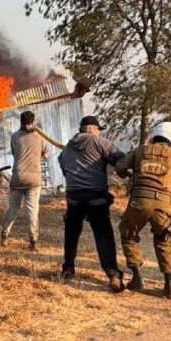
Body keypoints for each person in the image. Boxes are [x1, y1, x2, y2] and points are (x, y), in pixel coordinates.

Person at [115, 121, 171, 299]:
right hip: (163, 206)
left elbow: (120, 168)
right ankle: (169, 287)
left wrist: (131, 174)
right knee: (164, 241)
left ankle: (137, 279)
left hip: (138, 202)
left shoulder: (140, 150)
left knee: (128, 235)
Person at [58, 115, 126, 292]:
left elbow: (63, 165)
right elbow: (121, 160)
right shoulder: (99, 142)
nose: (98, 133)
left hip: (74, 197)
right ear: (90, 129)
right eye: (97, 129)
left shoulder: (67, 147)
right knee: (103, 235)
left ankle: (68, 269)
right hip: (96, 197)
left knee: (71, 234)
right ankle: (113, 275)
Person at [0, 111, 47, 251]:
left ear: (20, 122)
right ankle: (33, 241)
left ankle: (4, 236)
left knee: (13, 208)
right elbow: (45, 153)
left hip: (18, 178)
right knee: (33, 210)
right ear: (33, 121)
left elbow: (16, 154)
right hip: (34, 180)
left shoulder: (15, 137)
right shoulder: (40, 137)